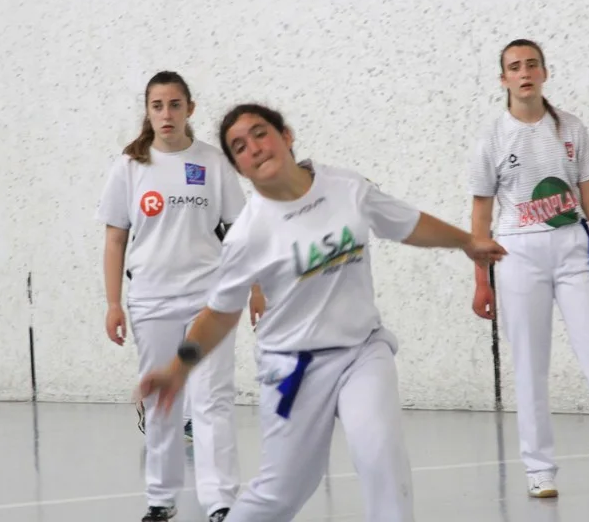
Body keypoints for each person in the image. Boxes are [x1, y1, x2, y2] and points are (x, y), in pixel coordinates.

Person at [137, 103, 507, 522]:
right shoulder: (247, 234)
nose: (253, 148)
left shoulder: (346, 187)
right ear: (239, 168)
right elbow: (220, 313)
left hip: (362, 351)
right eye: (239, 147)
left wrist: (467, 241)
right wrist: (179, 368)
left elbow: (406, 223)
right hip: (291, 368)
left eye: (260, 133)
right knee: (281, 492)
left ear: (286, 135)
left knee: (381, 455)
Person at [468, 39, 589, 499]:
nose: (524, 72)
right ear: (504, 79)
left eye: (532, 64)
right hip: (516, 254)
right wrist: (481, 280)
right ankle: (539, 470)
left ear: (544, 73)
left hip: (574, 250)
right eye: (515, 67)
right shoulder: (491, 137)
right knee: (530, 366)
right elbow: (480, 214)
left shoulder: (571, 128)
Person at [98, 71, 257, 522]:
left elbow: (241, 233)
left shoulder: (213, 163)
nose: (166, 114)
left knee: (212, 398)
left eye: (174, 104)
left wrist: (257, 288)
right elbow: (114, 240)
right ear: (148, 112)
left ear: (190, 108)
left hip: (211, 300)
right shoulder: (129, 167)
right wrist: (113, 303)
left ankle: (220, 503)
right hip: (151, 301)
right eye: (157, 106)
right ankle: (160, 500)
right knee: (162, 401)